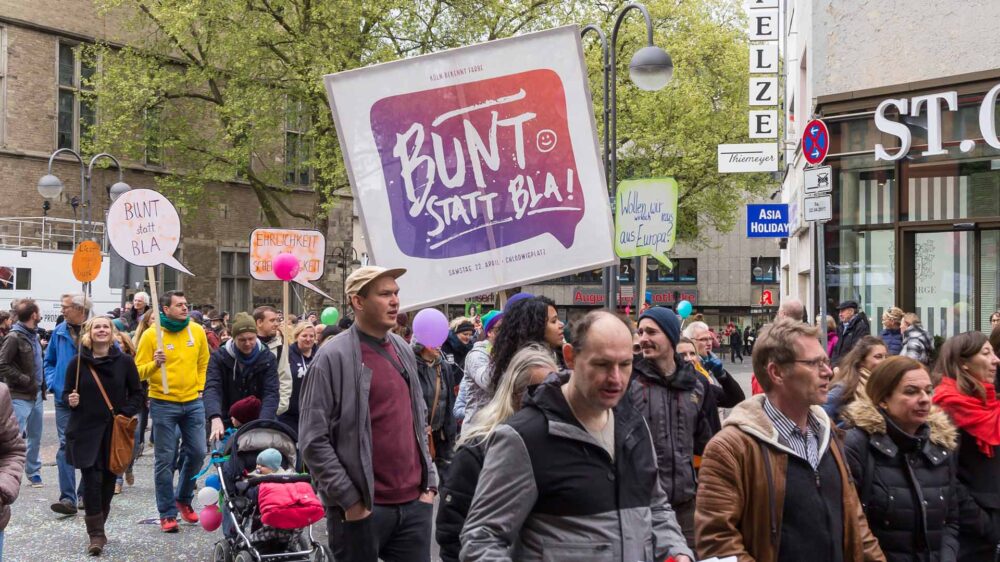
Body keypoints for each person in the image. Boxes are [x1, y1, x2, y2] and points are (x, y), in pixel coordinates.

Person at [461, 311, 693, 562]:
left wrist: (677, 551)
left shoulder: (634, 426)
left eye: (625, 364)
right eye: (602, 364)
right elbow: (482, 540)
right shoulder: (524, 438)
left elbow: (656, 507)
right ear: (570, 357)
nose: (616, 378)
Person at [695, 317, 885, 562]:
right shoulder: (730, 449)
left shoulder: (830, 437)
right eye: (814, 363)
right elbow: (717, 546)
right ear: (776, 372)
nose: (828, 372)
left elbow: (856, 523)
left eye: (825, 361)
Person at [299, 266, 437, 562]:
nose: (395, 301)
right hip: (362, 510)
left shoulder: (402, 348)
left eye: (396, 293)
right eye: (384, 294)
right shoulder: (331, 357)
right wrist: (350, 500)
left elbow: (418, 418)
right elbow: (312, 440)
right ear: (357, 302)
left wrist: (430, 484)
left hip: (414, 506)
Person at [435, 344, 556, 562]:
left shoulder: (564, 444)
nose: (545, 399)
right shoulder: (478, 449)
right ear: (514, 393)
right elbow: (453, 531)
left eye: (554, 389)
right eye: (535, 391)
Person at [842, 355, 960, 562]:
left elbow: (951, 521)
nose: (924, 398)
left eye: (928, 390)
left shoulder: (941, 447)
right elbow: (850, 522)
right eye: (911, 391)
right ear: (883, 399)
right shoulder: (858, 445)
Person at [630, 307, 712, 545]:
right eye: (641, 332)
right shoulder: (630, 382)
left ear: (671, 336)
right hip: (641, 505)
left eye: (652, 332)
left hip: (686, 506)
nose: (644, 338)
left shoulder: (696, 385)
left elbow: (707, 442)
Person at [64, 316, 143, 555]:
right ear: (89, 332)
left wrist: (124, 414)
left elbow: (138, 394)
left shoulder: (125, 362)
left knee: (108, 483)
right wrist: (71, 399)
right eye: (97, 326)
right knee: (92, 482)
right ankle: (96, 535)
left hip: (113, 432)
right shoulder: (77, 363)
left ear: (112, 333)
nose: (101, 330)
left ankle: (100, 525)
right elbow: (67, 393)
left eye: (105, 327)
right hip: (86, 430)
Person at [134, 290, 210, 532]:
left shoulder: (196, 331)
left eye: (186, 304)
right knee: (165, 459)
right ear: (165, 309)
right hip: (163, 402)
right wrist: (154, 364)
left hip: (193, 401)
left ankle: (183, 499)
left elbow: (203, 361)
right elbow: (137, 372)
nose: (185, 308)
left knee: (198, 452)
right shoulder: (150, 335)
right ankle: (167, 513)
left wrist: (199, 387)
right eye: (179, 305)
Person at [931, 331, 1000, 561]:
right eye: (986, 353)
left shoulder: (990, 405)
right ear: (964, 363)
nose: (996, 360)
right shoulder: (945, 408)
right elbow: (947, 476)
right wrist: (984, 523)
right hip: (970, 532)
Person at [43, 293, 92, 514]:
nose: (62, 311)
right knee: (65, 445)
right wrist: (54, 382)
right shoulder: (60, 331)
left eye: (66, 307)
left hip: (91, 399)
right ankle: (68, 498)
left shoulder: (96, 330)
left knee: (91, 444)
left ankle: (85, 492)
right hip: (64, 397)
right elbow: (49, 360)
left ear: (80, 310)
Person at [205, 313, 279, 443]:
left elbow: (271, 392)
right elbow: (212, 387)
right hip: (227, 418)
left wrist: (263, 423)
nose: (248, 343)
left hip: (259, 417)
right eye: (242, 340)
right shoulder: (219, 358)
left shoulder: (267, 358)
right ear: (233, 338)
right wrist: (215, 417)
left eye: (251, 338)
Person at [0, 299, 45, 490]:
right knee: (14, 439)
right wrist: (24, 379)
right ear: (34, 314)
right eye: (39, 311)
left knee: (35, 435)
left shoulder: (33, 335)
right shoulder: (14, 337)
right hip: (19, 395)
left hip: (36, 395)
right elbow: (2, 363)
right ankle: (9, 474)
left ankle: (34, 473)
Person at [488, 297, 561, 394]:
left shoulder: (551, 355)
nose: (561, 324)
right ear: (536, 327)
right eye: (553, 321)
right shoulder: (536, 368)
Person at [413, 341, 460, 479]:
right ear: (421, 345)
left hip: (441, 433)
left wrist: (451, 429)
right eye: (432, 343)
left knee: (448, 476)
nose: (438, 346)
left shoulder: (444, 367)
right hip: (419, 434)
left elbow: (450, 399)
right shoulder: (410, 366)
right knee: (421, 478)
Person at [683, 320, 745, 416]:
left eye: (710, 339)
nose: (709, 343)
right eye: (703, 339)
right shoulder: (688, 370)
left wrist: (722, 375)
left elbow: (736, 398)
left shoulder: (712, 364)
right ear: (690, 341)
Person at [823, 335, 888, 425]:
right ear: (862, 361)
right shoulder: (845, 386)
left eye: (886, 357)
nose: (884, 361)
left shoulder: (883, 386)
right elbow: (820, 415)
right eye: (878, 357)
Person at [454, 310, 501, 426]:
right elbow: (488, 383)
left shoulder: (505, 353)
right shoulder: (477, 355)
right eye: (501, 329)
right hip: (476, 434)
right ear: (489, 332)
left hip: (497, 430)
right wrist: (477, 415)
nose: (507, 333)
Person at [277, 322, 316, 436]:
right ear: (297, 336)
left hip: (313, 412)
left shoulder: (320, 354)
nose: (308, 339)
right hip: (290, 412)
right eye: (304, 336)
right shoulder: (286, 354)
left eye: (311, 336)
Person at [254, 306, 292, 417]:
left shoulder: (280, 347)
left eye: (277, 320)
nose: (276, 324)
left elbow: (284, 378)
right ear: (259, 322)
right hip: (246, 409)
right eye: (272, 320)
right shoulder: (248, 344)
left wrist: (279, 407)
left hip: (271, 410)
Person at [831, 300, 872, 366]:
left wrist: (844, 366)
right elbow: (836, 349)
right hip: (840, 367)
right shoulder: (840, 327)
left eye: (842, 311)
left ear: (851, 311)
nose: (840, 314)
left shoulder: (861, 326)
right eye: (839, 312)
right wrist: (834, 366)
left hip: (851, 367)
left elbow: (857, 350)